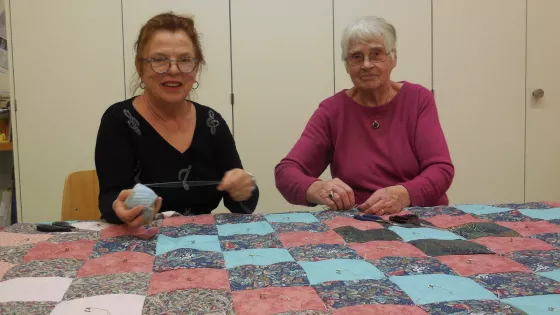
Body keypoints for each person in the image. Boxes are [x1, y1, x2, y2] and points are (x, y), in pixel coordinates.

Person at [275, 16, 454, 215]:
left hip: (419, 217)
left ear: (393, 58)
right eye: (356, 57)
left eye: (376, 54)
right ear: (346, 65)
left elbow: (440, 169)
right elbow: (286, 173)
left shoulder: (418, 99)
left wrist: (402, 195)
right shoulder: (332, 111)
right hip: (361, 222)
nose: (366, 65)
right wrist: (316, 188)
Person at [95, 12, 258, 226]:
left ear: (196, 68)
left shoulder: (212, 122)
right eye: (160, 60)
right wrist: (119, 207)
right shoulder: (119, 121)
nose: (173, 70)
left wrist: (244, 187)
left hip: (203, 244)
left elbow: (240, 205)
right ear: (140, 67)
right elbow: (109, 198)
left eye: (184, 60)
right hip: (139, 242)